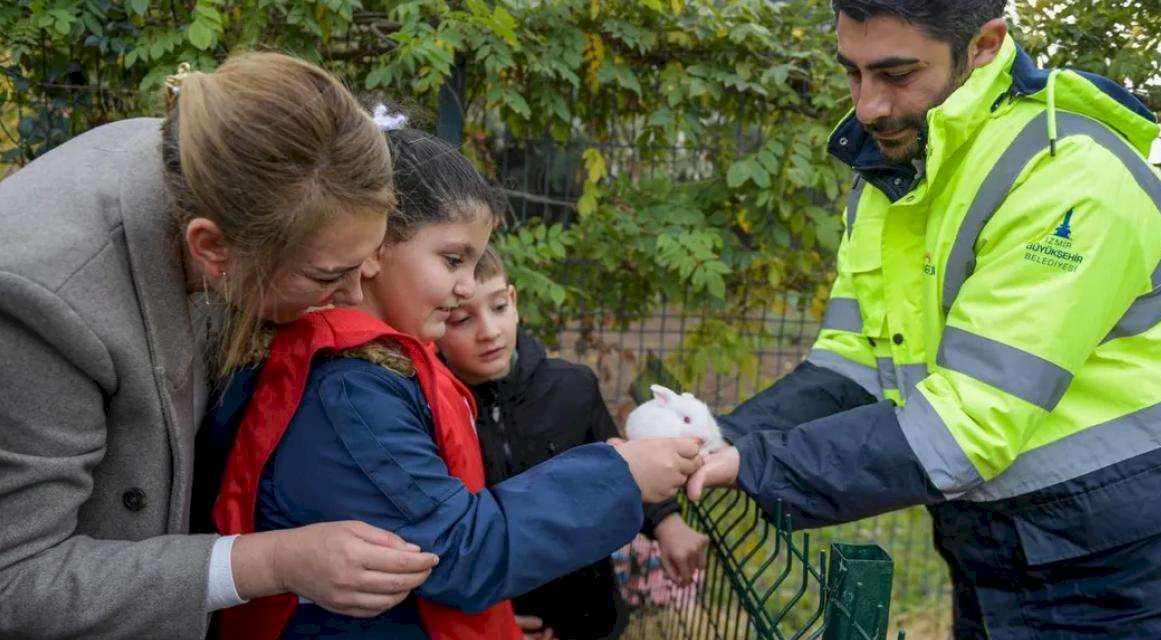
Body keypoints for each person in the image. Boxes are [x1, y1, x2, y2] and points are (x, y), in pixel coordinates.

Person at [682, 2, 1161, 638]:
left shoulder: (1067, 172)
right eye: (852, 73)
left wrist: (758, 466)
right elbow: (853, 363)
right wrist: (717, 435)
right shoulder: (897, 176)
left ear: (985, 46)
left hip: (1157, 567)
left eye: (896, 74)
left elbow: (969, 424)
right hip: (1005, 554)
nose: (867, 108)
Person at [0, 54, 440, 638]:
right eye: (326, 274)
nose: (356, 292)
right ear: (211, 247)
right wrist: (274, 561)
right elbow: (18, 581)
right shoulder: (45, 304)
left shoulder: (214, 165)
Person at [204, 127, 703, 639]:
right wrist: (618, 477)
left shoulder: (372, 370)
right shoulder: (349, 392)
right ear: (376, 245)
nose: (466, 288)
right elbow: (455, 552)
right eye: (452, 260)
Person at [436, 246, 710, 639]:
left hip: (589, 615)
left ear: (513, 300)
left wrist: (668, 522)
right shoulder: (436, 409)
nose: (489, 331)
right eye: (462, 319)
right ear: (435, 322)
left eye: (498, 307)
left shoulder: (572, 388)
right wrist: (489, 625)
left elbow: (623, 461)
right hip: (502, 616)